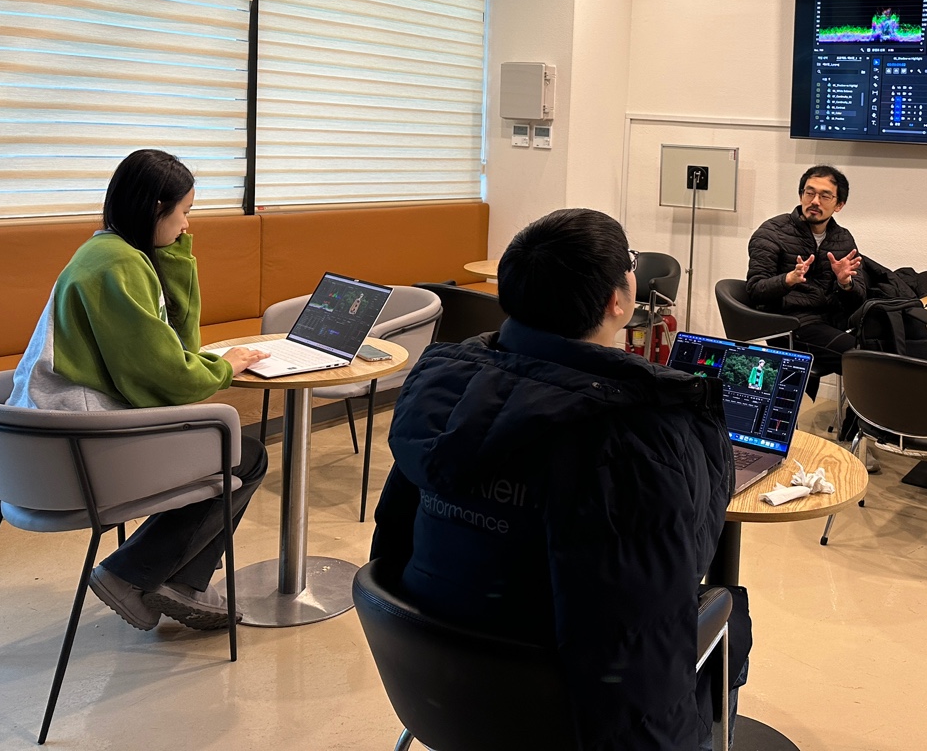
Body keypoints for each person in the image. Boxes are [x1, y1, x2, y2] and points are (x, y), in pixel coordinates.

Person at [371, 208, 751, 751]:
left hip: (433, 678)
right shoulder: (638, 434)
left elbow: (392, 537)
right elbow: (672, 581)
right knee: (731, 608)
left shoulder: (442, 390)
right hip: (571, 712)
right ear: (617, 301)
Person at [9, 149, 270, 632]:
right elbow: (169, 378)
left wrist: (171, 255)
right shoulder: (120, 266)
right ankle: (133, 575)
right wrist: (224, 367)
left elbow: (171, 348)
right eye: (184, 212)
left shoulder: (105, 251)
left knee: (219, 448)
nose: (187, 226)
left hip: (43, 444)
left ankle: (173, 581)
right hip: (78, 451)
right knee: (240, 453)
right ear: (155, 208)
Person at [745, 165, 866, 389]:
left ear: (839, 205)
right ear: (801, 195)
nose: (815, 201)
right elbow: (755, 289)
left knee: (889, 345)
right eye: (810, 193)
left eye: (825, 196)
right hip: (789, 324)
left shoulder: (842, 239)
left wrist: (845, 284)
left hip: (831, 320)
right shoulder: (772, 232)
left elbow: (858, 298)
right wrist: (788, 280)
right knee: (865, 358)